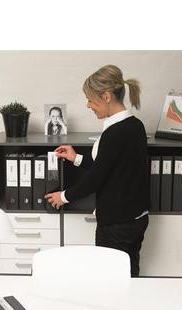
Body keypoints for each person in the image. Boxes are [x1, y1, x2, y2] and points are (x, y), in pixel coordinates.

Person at [44, 65, 150, 277]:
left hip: (117, 224)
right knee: (129, 274)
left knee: (110, 279)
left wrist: (63, 197)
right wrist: (76, 158)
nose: (88, 105)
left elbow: (96, 179)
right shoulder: (135, 125)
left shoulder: (115, 133)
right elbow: (110, 167)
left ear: (107, 96)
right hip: (136, 218)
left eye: (91, 100)